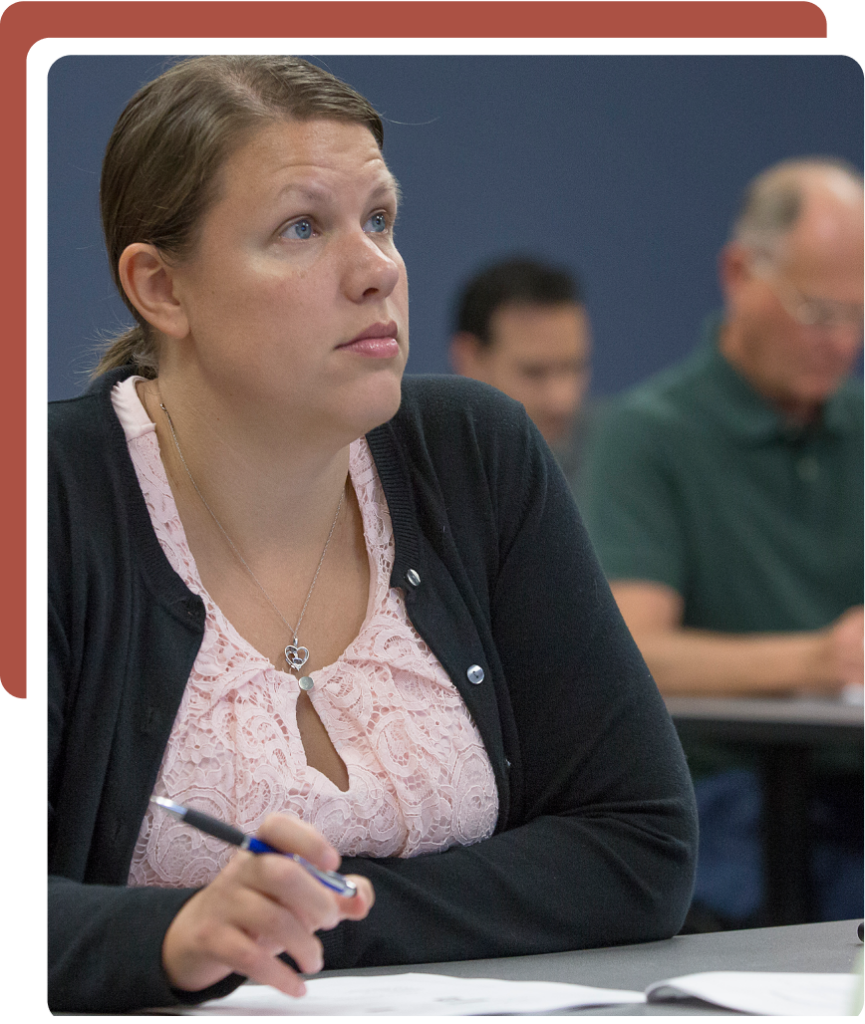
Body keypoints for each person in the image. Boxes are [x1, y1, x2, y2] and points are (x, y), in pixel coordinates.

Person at [47, 56, 697, 1013]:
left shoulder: (473, 454)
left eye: (381, 219)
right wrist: (173, 934)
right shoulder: (47, 496)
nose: (377, 270)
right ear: (162, 289)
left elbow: (639, 844)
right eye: (301, 229)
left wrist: (309, 920)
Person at [582, 157, 865, 925]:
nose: (840, 343)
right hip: (730, 800)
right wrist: (815, 661)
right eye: (817, 311)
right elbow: (632, 652)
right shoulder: (651, 437)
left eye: (857, 315)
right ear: (740, 273)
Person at [449, 258, 595, 500]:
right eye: (534, 372)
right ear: (469, 359)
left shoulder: (625, 457)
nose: (561, 400)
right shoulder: (411, 477)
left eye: (573, 368)